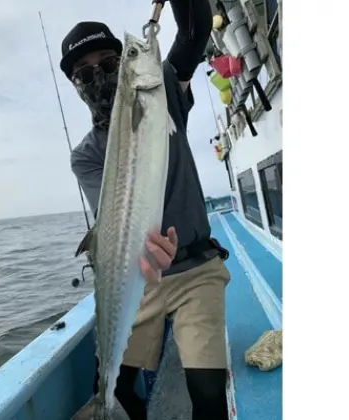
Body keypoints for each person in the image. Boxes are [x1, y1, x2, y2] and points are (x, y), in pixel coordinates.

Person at [59, 1, 231, 419]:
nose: (98, 76)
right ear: (75, 85)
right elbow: (117, 222)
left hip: (195, 268)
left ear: (125, 64)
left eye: (109, 61)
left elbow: (193, 32)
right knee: (111, 384)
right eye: (84, 73)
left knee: (207, 391)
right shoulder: (86, 155)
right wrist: (144, 258)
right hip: (141, 280)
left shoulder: (164, 90)